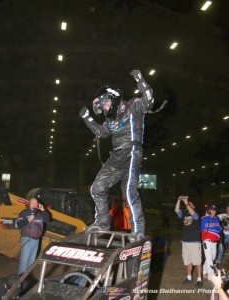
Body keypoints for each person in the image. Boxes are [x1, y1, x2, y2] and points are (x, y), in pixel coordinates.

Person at [79, 70, 165, 242]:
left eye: (104, 104)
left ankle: (138, 230)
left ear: (113, 98)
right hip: (116, 157)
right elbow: (101, 132)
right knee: (96, 188)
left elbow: (148, 100)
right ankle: (103, 222)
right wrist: (87, 118)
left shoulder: (133, 106)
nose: (103, 109)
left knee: (128, 191)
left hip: (132, 152)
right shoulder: (110, 121)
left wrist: (140, 79)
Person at [16, 198, 49, 275]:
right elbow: (18, 224)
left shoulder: (39, 213)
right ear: (29, 203)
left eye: (36, 202)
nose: (34, 203)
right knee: (24, 261)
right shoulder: (24, 213)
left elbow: (47, 219)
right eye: (33, 202)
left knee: (31, 262)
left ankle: (27, 278)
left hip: (36, 241)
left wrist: (43, 210)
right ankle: (20, 282)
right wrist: (27, 220)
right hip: (27, 239)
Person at [175, 195, 202, 287]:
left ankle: (199, 280)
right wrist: (179, 200)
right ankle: (189, 278)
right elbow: (176, 210)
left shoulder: (197, 215)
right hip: (185, 242)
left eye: (190, 205)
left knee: (197, 262)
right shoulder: (184, 215)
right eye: (187, 205)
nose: (188, 205)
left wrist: (186, 202)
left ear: (193, 207)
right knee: (188, 261)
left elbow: (193, 214)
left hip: (195, 242)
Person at [201, 204, 222, 280]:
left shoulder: (217, 219)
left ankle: (204, 270)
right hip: (206, 242)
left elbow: (219, 231)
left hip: (214, 242)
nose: (214, 211)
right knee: (209, 258)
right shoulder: (204, 219)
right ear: (208, 211)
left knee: (212, 257)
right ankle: (210, 275)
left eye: (215, 210)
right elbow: (199, 230)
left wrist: (221, 242)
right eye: (212, 210)